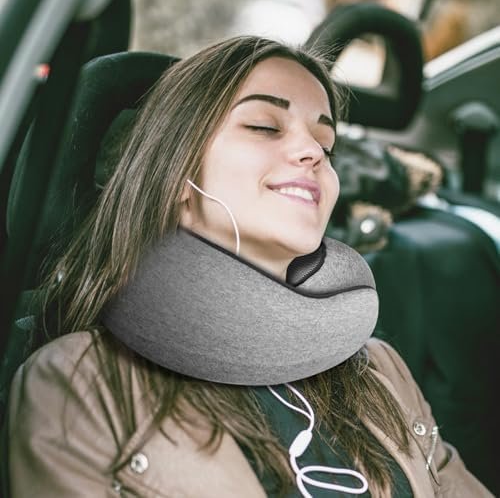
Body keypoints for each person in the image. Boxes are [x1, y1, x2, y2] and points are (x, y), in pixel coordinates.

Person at [5, 36, 492, 497]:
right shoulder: (78, 383)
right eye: (264, 126)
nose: (313, 153)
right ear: (176, 172)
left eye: (326, 145)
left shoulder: (382, 370)